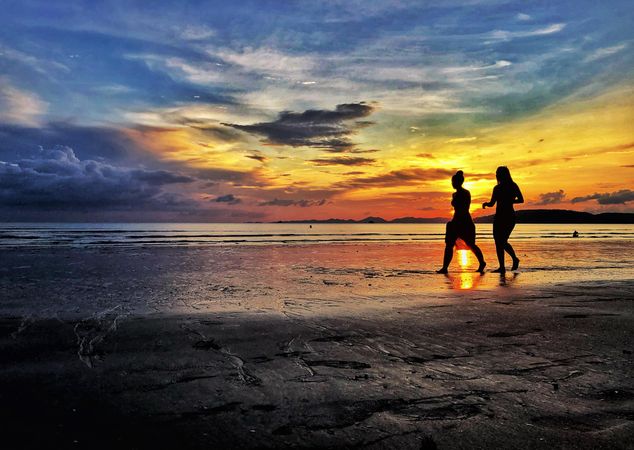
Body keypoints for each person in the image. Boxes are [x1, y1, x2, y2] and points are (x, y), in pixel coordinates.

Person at [437, 170, 486, 274]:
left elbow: (461, 207)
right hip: (457, 220)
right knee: (449, 244)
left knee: (470, 244)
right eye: (452, 182)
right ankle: (445, 267)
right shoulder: (456, 194)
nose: (452, 184)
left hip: (463, 220)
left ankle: (482, 262)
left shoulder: (464, 193)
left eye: (453, 182)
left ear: (458, 182)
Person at [482, 166, 524, 273]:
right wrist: (486, 204)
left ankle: (514, 259)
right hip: (499, 217)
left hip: (509, 216)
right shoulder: (496, 188)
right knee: (498, 242)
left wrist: (510, 201)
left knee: (502, 241)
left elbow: (521, 199)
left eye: (498, 173)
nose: (496, 175)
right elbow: (492, 203)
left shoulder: (512, 186)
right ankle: (502, 267)